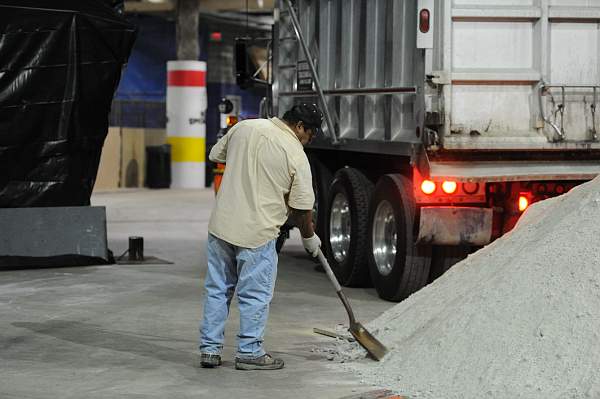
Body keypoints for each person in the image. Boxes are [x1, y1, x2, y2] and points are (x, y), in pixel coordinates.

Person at [199, 103, 323, 370]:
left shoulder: (245, 126)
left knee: (217, 290)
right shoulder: (296, 154)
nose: (310, 139)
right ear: (300, 126)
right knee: (254, 295)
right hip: (257, 233)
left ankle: (210, 350)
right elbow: (302, 208)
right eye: (310, 133)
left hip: (222, 226)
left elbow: (215, 155)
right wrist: (309, 236)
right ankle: (250, 352)